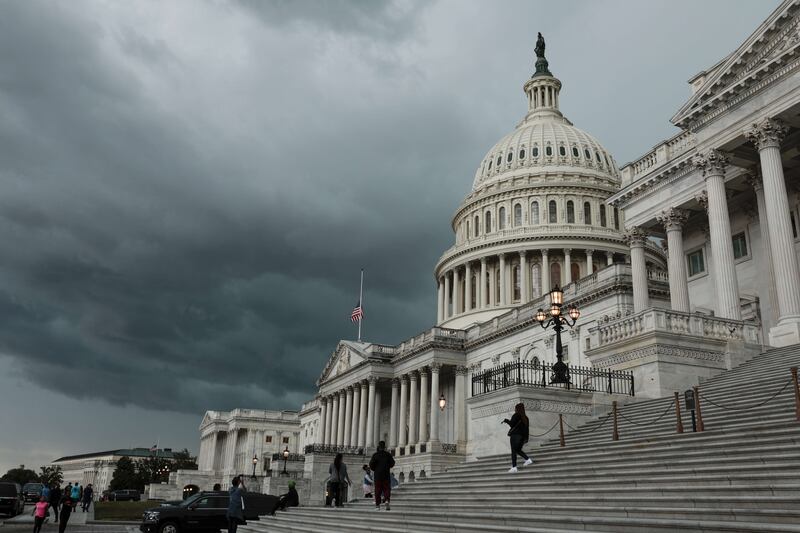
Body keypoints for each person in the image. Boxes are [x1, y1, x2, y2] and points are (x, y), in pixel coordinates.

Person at [502, 402, 532, 473]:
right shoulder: (526, 418)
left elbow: (512, 424)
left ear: (517, 409)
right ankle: (528, 459)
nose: (515, 410)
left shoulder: (516, 415)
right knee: (518, 450)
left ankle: (514, 467)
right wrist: (526, 438)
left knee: (513, 451)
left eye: (515, 408)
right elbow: (527, 429)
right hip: (522, 437)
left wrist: (506, 421)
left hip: (515, 435)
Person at [369, 440, 395, 511]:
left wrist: (376, 469)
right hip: (386, 474)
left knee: (378, 490)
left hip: (378, 475)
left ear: (378, 446)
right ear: (384, 447)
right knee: (386, 488)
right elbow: (392, 463)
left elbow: (371, 465)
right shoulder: (388, 454)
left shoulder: (375, 455)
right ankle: (386, 500)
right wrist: (387, 466)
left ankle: (377, 506)